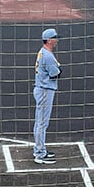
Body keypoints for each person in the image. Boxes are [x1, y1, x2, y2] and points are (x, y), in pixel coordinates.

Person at [33, 28, 62, 164]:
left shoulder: (43, 52)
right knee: (42, 123)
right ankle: (39, 153)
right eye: (55, 38)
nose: (57, 40)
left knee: (40, 122)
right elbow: (55, 73)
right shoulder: (48, 56)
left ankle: (40, 149)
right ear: (49, 40)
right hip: (45, 90)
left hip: (42, 88)